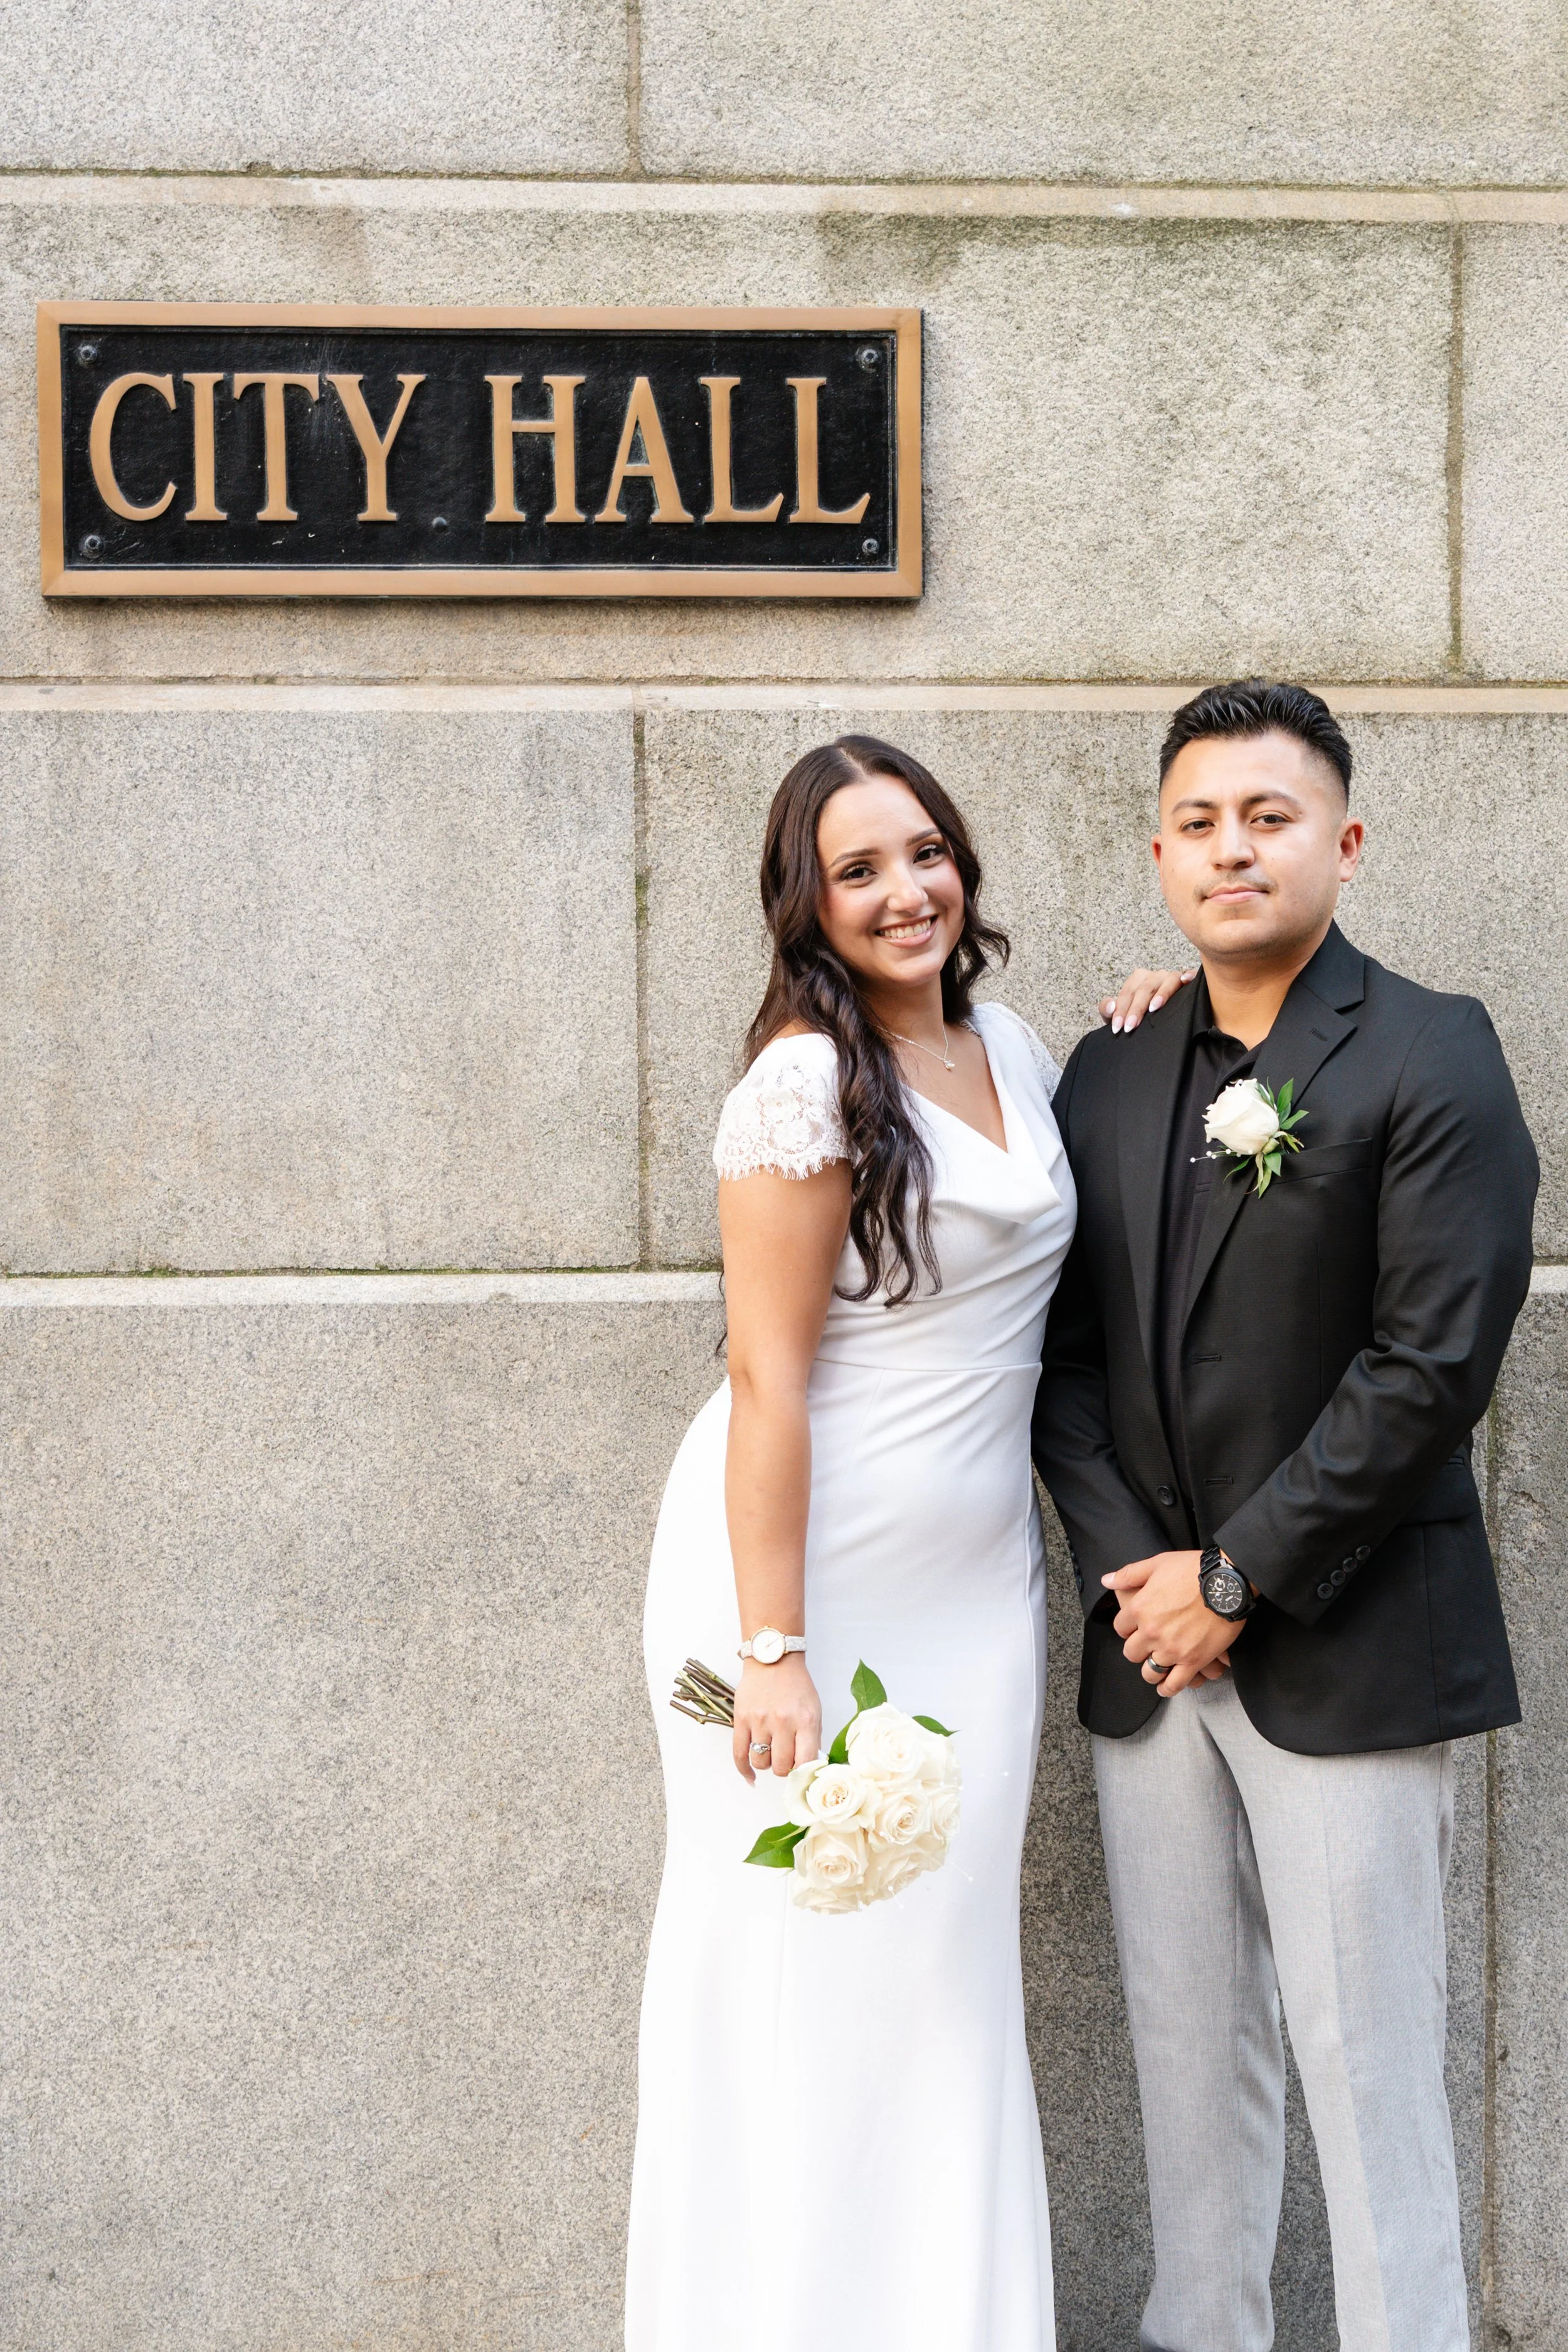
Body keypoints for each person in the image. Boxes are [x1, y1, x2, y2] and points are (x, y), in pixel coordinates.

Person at [625, 734, 1191, 2352]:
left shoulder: (1010, 1042)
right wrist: (774, 1651)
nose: (903, 891)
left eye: (923, 852)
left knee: (938, 1986)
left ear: (965, 862)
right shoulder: (803, 1080)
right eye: (857, 869)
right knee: (792, 1966)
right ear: (806, 903)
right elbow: (762, 1377)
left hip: (973, 1596)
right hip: (790, 1591)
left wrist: (1156, 1019)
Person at [1032, 679, 1538, 2352]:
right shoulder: (1106, 1069)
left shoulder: (1427, 1047)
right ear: (1157, 848)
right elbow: (1062, 1359)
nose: (1228, 846)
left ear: (1342, 836)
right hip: (1146, 1655)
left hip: (1343, 1634)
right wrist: (1143, 1583)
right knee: (1184, 2050)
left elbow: (1427, 1364)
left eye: (1266, 815)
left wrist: (1233, 1577)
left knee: (1366, 2054)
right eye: (1196, 820)